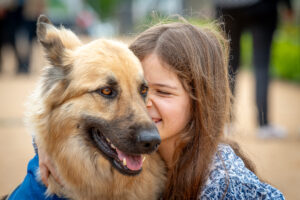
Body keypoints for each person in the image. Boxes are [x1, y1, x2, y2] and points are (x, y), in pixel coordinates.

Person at [10, 20, 285, 199]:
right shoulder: (134, 152)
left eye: (162, 92)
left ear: (200, 100)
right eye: (109, 92)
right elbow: (53, 112)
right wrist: (45, 147)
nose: (143, 106)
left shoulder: (226, 185)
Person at [214, 0, 293, 139]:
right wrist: (287, 6)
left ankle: (226, 123)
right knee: (262, 64)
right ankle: (263, 125)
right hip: (260, 6)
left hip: (226, 5)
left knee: (230, 62)